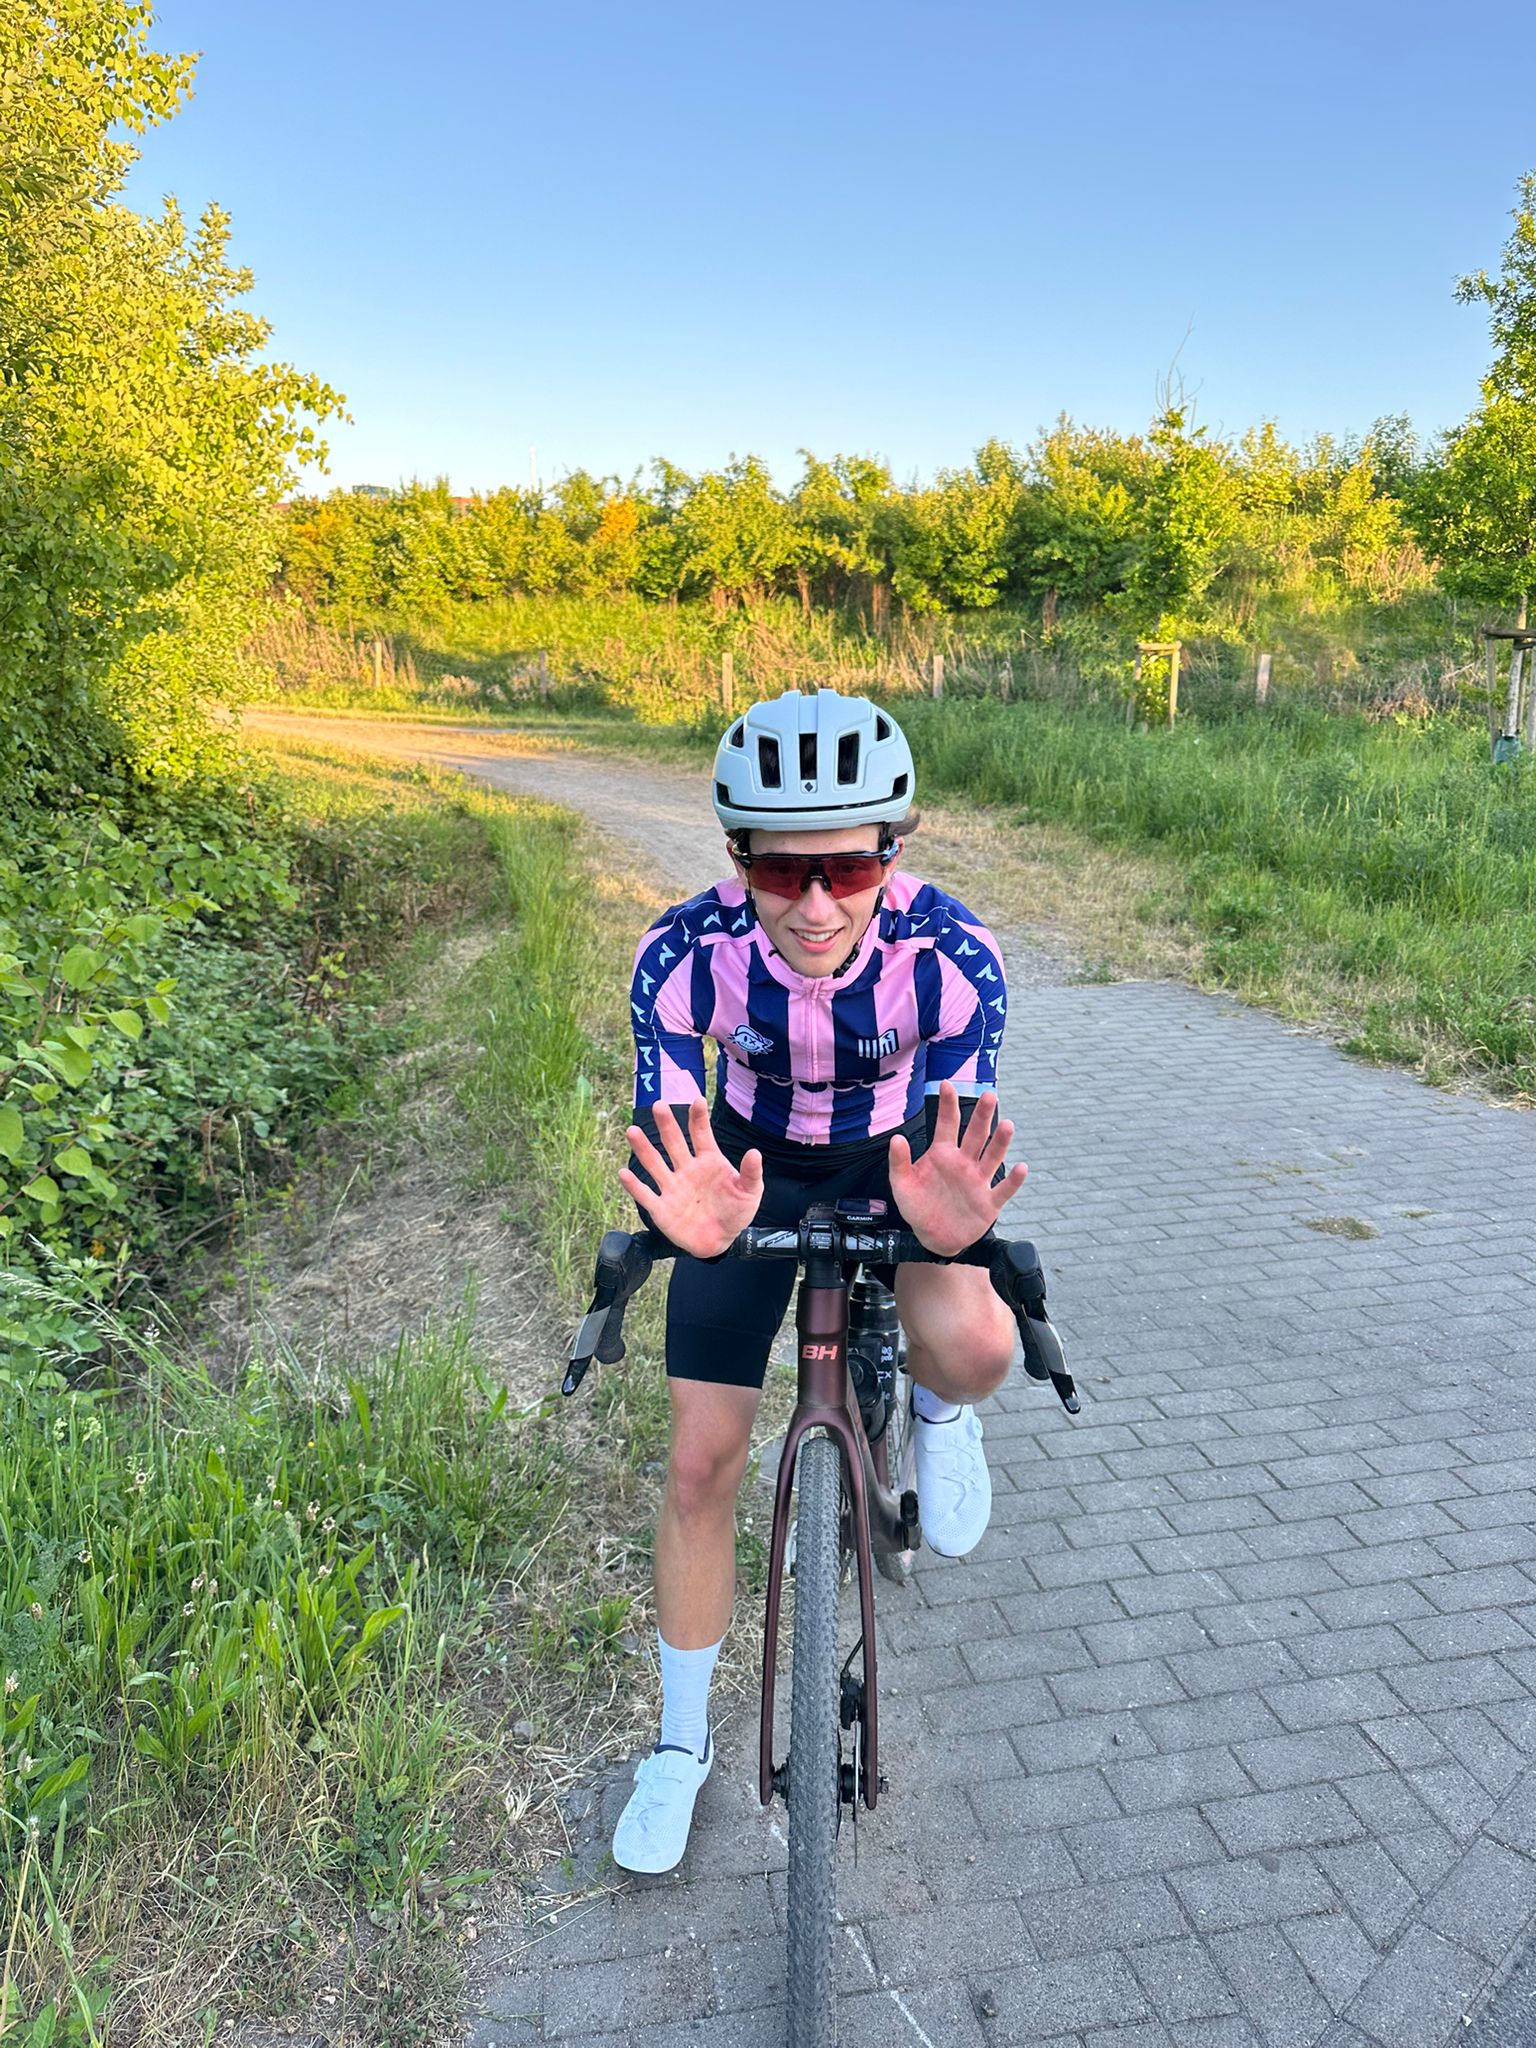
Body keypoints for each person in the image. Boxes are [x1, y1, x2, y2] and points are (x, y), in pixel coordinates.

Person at [611, 688, 1028, 1874]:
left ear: (894, 850)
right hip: (741, 1169)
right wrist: (681, 1211)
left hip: (902, 1162)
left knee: (981, 1344)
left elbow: (957, 1138)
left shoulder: (954, 959)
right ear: (735, 853)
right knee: (699, 1460)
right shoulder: (681, 956)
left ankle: (941, 1411)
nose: (811, 904)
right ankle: (680, 1748)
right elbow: (674, 1132)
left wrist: (945, 1231)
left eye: (845, 870)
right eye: (780, 868)